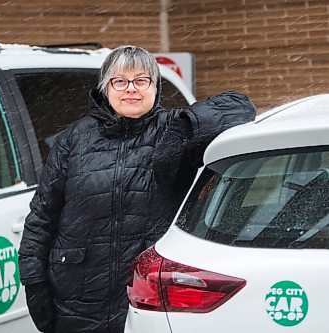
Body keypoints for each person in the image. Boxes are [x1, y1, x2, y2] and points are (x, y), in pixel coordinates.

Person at [18, 45, 256, 333]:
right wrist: (34, 281)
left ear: (155, 87)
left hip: (144, 295)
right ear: (106, 87)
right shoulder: (74, 140)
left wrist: (185, 126)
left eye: (142, 80)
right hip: (76, 296)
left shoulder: (172, 129)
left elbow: (240, 108)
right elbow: (42, 217)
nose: (131, 89)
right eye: (120, 81)